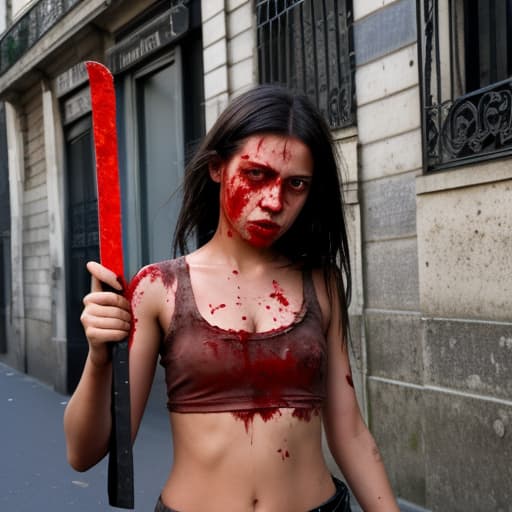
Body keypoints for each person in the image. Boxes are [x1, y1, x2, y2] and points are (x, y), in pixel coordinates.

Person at [64, 84, 400, 512]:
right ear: (217, 168)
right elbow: (83, 453)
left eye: (296, 184)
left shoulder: (321, 283)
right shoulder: (159, 289)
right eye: (257, 174)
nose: (274, 201)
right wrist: (98, 359)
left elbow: (350, 431)